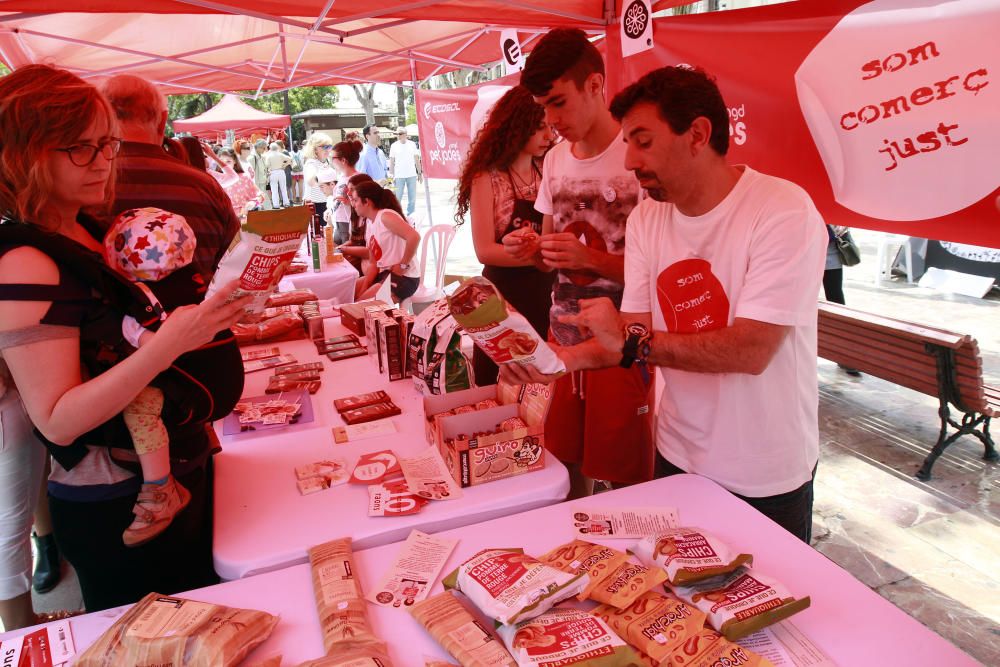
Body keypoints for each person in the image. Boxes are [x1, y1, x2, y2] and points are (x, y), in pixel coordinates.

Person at [509, 66, 827, 543]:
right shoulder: (649, 219)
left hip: (763, 469)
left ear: (698, 134)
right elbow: (631, 335)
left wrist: (636, 345)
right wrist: (556, 361)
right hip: (677, 452)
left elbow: (751, 350)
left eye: (643, 141)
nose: (631, 160)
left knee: (765, 613)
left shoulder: (781, 210)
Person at [0, 64, 251, 610]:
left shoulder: (83, 228)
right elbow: (58, 418)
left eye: (106, 144)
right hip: (116, 498)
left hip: (164, 471)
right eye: (79, 148)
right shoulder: (25, 260)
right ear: (24, 152)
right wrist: (170, 345)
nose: (103, 162)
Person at [504, 28, 653, 498]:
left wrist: (594, 259)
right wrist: (532, 251)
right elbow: (552, 258)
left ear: (595, 85)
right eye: (543, 107)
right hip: (562, 335)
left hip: (624, 346)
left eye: (558, 103)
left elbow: (660, 273)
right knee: (562, 465)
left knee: (626, 479)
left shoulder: (638, 161)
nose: (550, 120)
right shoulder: (555, 162)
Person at [455, 86, 557, 385]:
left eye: (550, 127)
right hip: (501, 299)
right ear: (516, 126)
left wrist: (543, 254)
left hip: (547, 293)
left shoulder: (548, 170)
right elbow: (484, 250)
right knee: (500, 384)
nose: (549, 136)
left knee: (544, 382)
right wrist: (539, 254)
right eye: (539, 128)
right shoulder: (486, 177)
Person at [99, 74, 240, 281]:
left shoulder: (86, 185)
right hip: (199, 309)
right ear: (162, 120)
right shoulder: (205, 186)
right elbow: (235, 264)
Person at [350, 181, 420, 303]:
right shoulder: (369, 222)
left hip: (405, 277)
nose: (353, 205)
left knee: (359, 307)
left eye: (355, 200)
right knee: (348, 290)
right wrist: (363, 290)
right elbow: (373, 264)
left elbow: (414, 237)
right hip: (386, 274)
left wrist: (403, 265)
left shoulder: (385, 216)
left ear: (367, 202)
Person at [824, 225, 861, 376]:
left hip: (831, 259)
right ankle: (844, 355)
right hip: (808, 259)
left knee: (837, 306)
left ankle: (845, 354)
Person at [325, 140, 363, 245]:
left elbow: (366, 204)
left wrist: (349, 202)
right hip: (340, 221)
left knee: (348, 255)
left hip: (350, 223)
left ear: (343, 160)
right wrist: (330, 210)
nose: (331, 161)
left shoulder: (357, 179)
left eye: (333, 158)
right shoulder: (342, 177)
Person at [337, 173, 376, 275]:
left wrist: (344, 249)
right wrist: (338, 249)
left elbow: (370, 253)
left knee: (340, 272)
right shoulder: (355, 212)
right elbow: (353, 240)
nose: (348, 193)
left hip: (370, 263)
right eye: (348, 189)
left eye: (352, 189)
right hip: (362, 260)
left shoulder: (372, 216)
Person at [212, 148, 264, 220]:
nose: (224, 165)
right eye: (221, 161)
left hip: (245, 218)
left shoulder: (244, 177)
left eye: (228, 161)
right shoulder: (214, 179)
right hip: (225, 220)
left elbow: (261, 196)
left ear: (235, 161)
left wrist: (253, 203)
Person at [302, 132, 335, 231]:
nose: (328, 149)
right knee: (318, 236)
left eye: (329, 146)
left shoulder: (328, 161)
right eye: (325, 147)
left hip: (327, 202)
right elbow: (311, 181)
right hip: (315, 205)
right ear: (315, 149)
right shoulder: (311, 163)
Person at [389, 129, 421, 217]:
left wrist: (419, 173)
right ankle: (397, 215)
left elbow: (416, 159)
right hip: (399, 176)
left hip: (412, 175)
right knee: (397, 198)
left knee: (412, 198)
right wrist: (390, 176)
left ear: (405, 134)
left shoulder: (412, 144)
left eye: (399, 134)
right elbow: (391, 161)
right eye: (397, 134)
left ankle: (411, 216)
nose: (398, 136)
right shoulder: (394, 145)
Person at [265, 142, 293, 209]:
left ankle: (276, 205)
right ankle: (286, 203)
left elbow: (266, 165)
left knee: (274, 189)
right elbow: (290, 159)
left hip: (273, 172)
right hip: (281, 171)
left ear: (270, 148)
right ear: (277, 148)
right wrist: (285, 165)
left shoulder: (269, 156)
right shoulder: (280, 154)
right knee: (283, 188)